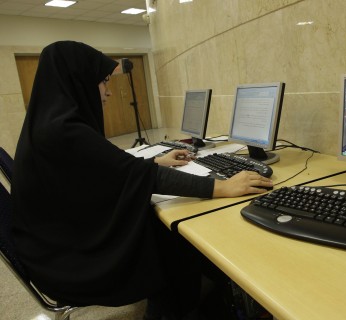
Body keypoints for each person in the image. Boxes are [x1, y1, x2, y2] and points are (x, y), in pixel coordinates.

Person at [11, 41, 272, 320]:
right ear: (80, 81)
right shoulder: (64, 132)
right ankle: (181, 310)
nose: (108, 91)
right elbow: (137, 176)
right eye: (103, 82)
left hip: (53, 244)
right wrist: (222, 186)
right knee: (167, 236)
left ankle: (192, 300)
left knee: (158, 226)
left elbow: (105, 169)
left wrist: (156, 161)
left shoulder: (48, 123)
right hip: (67, 261)